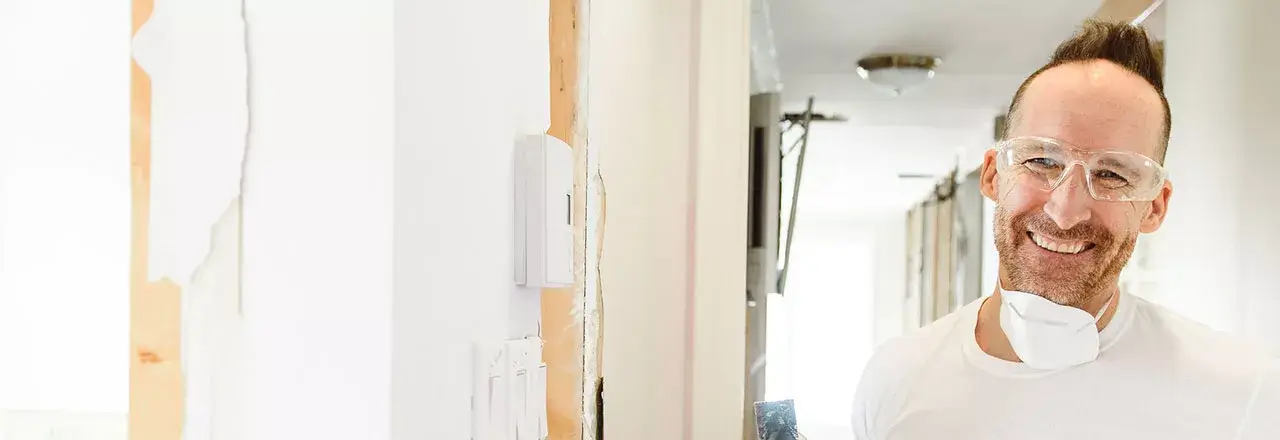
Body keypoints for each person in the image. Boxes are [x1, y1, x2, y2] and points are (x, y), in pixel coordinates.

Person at [851, 20, 1279, 439]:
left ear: (1155, 206)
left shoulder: (1240, 394)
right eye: (1041, 161)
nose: (1066, 211)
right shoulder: (897, 379)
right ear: (993, 176)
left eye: (1113, 174)